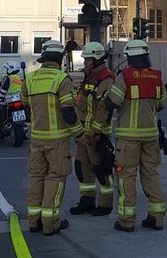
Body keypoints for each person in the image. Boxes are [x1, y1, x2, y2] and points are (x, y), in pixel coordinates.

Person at [22, 40, 82, 236]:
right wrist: (79, 134)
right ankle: (50, 224)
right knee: (55, 178)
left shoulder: (30, 78)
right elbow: (69, 113)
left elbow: (25, 105)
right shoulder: (62, 79)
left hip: (36, 140)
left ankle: (33, 221)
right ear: (60, 58)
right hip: (57, 141)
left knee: (36, 177)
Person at [106, 39, 166, 232]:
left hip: (128, 138)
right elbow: (161, 105)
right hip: (151, 136)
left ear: (129, 57)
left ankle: (126, 220)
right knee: (151, 174)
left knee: (126, 176)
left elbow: (113, 101)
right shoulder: (157, 77)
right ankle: (156, 218)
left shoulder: (125, 76)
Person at [68, 41, 115, 217]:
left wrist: (96, 132)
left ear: (96, 59)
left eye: (87, 59)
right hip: (84, 135)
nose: (85, 62)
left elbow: (104, 109)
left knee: (101, 170)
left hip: (97, 136)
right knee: (82, 168)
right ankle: (86, 201)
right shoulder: (89, 76)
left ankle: (105, 205)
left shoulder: (106, 78)